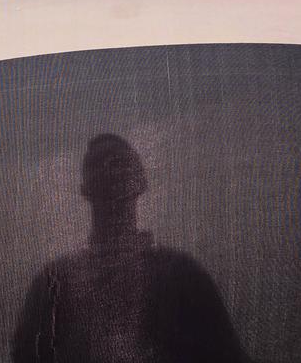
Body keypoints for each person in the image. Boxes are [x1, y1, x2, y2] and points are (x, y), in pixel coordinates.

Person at [13, 134, 245, 362]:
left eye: (120, 163)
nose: (111, 171)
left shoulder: (182, 275)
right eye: (101, 164)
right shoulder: (54, 282)